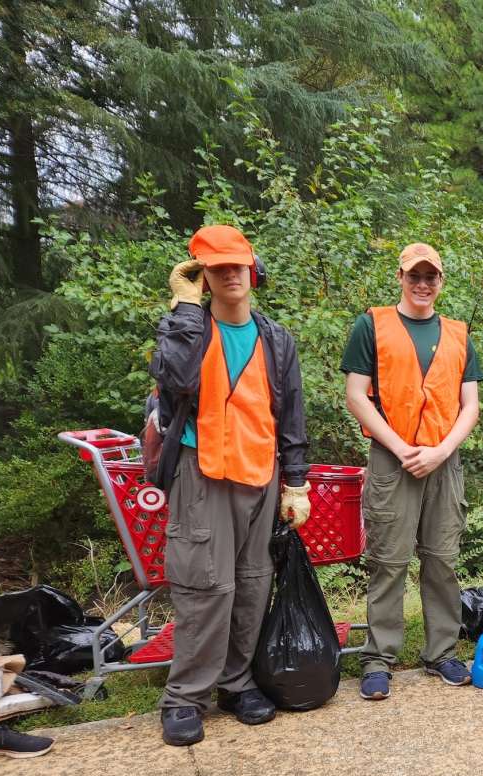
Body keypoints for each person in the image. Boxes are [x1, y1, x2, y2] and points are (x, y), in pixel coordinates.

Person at [151, 225, 310, 745]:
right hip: (202, 473)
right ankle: (184, 698)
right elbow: (173, 382)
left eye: (237, 264)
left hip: (260, 474)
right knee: (205, 587)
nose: (230, 274)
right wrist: (184, 311)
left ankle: (236, 683)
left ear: (252, 269)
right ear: (202, 276)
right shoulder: (190, 329)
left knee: (251, 583)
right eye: (216, 267)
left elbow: (291, 417)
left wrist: (297, 483)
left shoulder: (276, 339)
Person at [342, 243, 483, 699]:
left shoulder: (459, 334)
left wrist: (441, 451)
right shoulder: (372, 325)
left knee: (442, 559)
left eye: (431, 277)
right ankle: (379, 657)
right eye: (414, 276)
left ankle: (441, 652)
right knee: (388, 560)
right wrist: (402, 447)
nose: (423, 285)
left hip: (443, 459)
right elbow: (356, 396)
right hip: (393, 457)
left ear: (441, 281)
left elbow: (471, 405)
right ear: (400, 277)